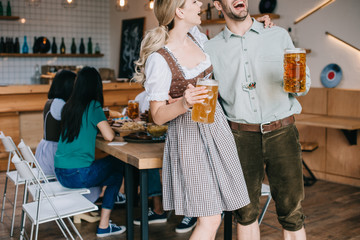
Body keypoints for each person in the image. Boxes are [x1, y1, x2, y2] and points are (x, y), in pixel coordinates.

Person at [133, 0, 250, 238]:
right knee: (209, 218)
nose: (201, 4)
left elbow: (233, 31)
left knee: (220, 212)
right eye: (195, 1)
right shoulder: (160, 58)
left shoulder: (199, 39)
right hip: (190, 138)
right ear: (179, 11)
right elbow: (156, 116)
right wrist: (184, 103)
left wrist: (261, 24)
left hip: (217, 129)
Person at [204, 0, 311, 239]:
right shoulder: (210, 49)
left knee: (292, 213)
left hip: (282, 131)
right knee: (246, 213)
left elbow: (303, 87)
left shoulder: (277, 35)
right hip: (240, 137)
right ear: (217, 5)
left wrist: (298, 81)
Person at [54, 66, 126, 237]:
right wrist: (112, 130)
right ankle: (104, 224)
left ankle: (112, 200)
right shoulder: (93, 106)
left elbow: (82, 130)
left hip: (61, 172)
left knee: (112, 171)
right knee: (118, 167)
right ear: (96, 86)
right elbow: (109, 136)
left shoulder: (68, 106)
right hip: (78, 173)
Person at [133, 91, 197, 233]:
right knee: (149, 164)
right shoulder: (143, 96)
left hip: (184, 131)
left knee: (187, 163)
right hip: (161, 136)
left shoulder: (175, 87)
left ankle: (193, 212)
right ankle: (158, 208)